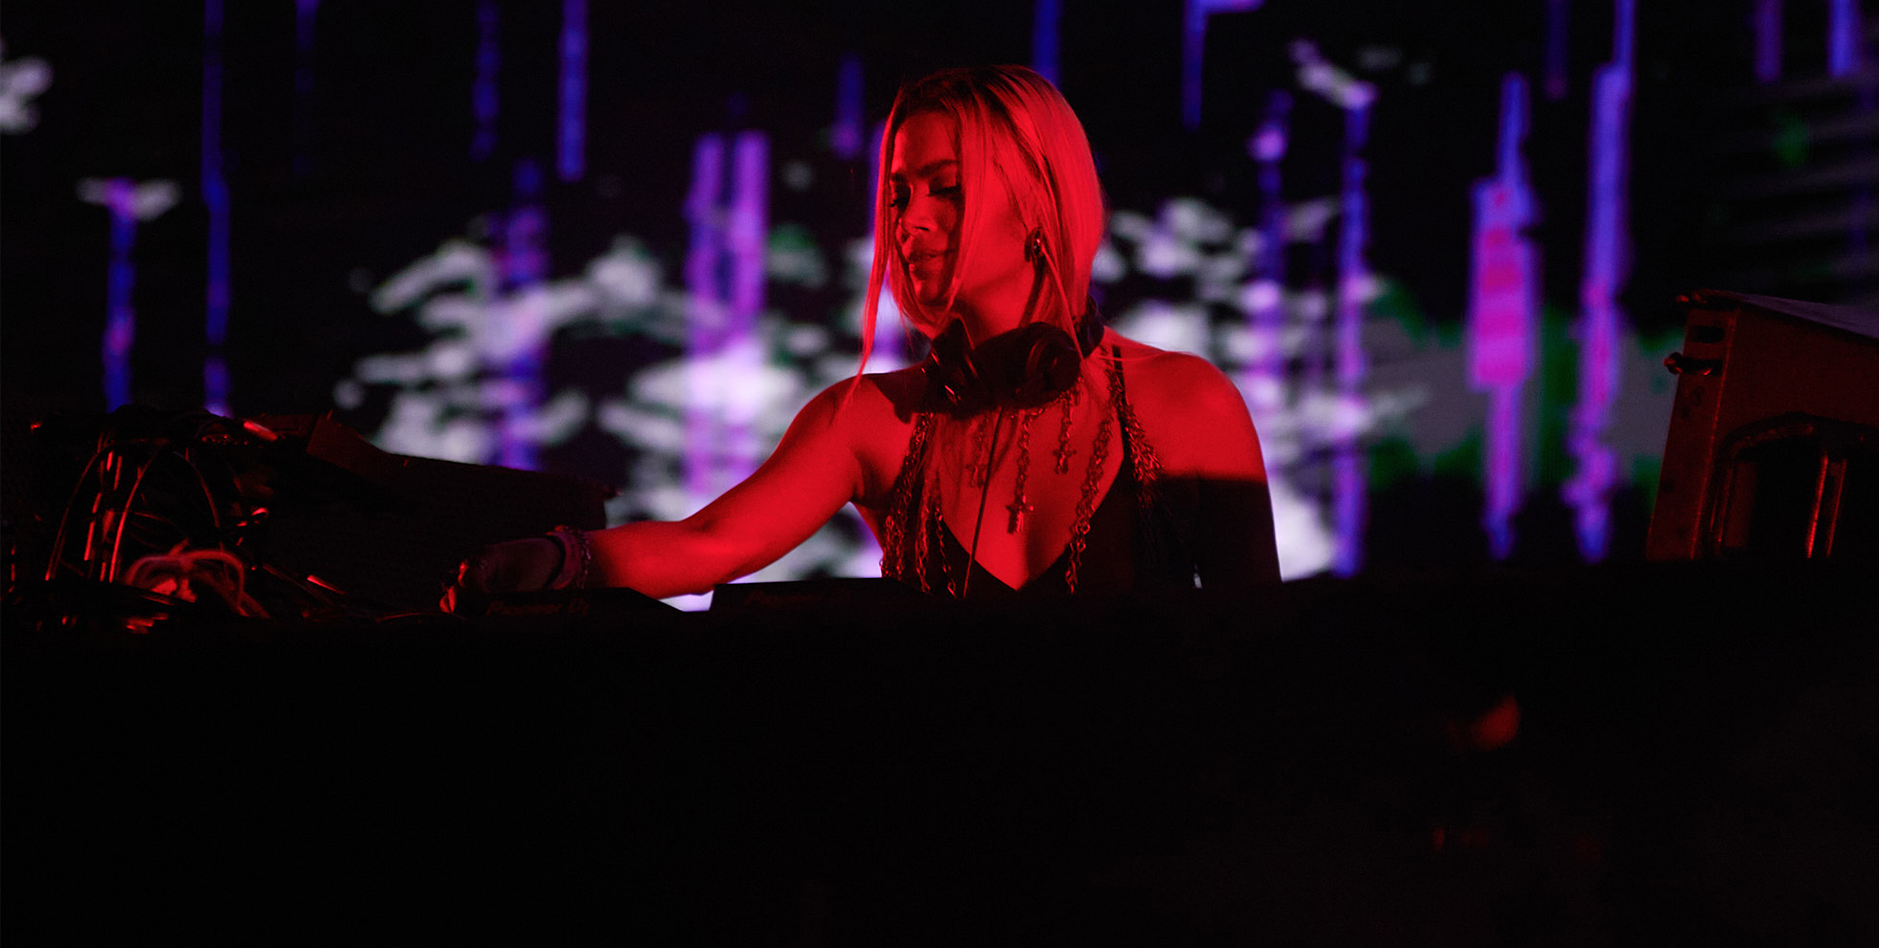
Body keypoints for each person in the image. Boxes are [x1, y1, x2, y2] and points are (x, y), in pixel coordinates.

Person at [450, 65, 1279, 606]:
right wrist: (560, 559)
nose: (908, 221)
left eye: (945, 189)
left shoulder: (1185, 405)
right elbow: (709, 543)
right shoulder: (870, 422)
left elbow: (1267, 657)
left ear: (1038, 200)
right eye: (899, 192)